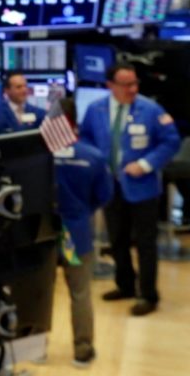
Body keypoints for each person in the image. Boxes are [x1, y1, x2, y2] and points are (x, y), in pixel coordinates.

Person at [79, 62, 180, 316]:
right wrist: (95, 162)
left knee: (145, 243)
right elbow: (85, 138)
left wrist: (146, 164)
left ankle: (148, 295)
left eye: (135, 83)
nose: (132, 89)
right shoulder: (96, 109)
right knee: (117, 239)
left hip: (142, 187)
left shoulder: (151, 109)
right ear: (110, 85)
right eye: (126, 84)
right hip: (110, 185)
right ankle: (125, 285)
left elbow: (171, 141)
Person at [54, 98, 113, 367]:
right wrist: (81, 212)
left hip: (42, 235)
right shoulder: (92, 156)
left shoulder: (39, 155)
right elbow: (104, 195)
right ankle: (83, 350)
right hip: (73, 235)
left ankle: (32, 345)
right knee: (80, 293)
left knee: (36, 290)